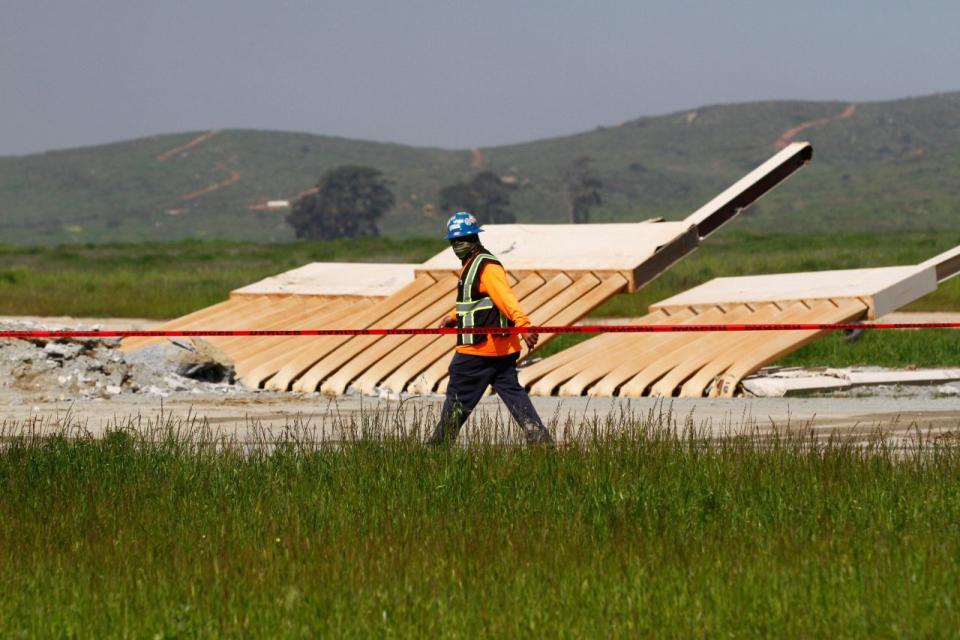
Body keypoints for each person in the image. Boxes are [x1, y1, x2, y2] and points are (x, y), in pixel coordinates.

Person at [427, 212, 554, 446]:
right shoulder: (472, 265)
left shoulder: (486, 266)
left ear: (474, 238)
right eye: (454, 242)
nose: (457, 246)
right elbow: (479, 302)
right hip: (499, 349)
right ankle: (539, 438)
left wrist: (524, 326)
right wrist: (454, 317)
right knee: (513, 393)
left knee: (458, 397)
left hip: (479, 349)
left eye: (462, 240)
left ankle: (438, 446)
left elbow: (506, 299)